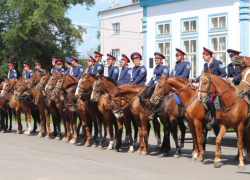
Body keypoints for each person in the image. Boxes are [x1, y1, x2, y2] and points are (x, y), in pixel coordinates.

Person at [196, 47, 227, 126]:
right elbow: (203, 75)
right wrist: (195, 80)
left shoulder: (217, 63)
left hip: (216, 88)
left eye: (204, 56)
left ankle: (214, 118)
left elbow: (223, 74)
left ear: (208, 55)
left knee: (209, 100)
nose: (203, 57)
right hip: (208, 88)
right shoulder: (206, 65)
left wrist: (216, 81)